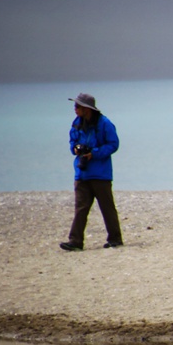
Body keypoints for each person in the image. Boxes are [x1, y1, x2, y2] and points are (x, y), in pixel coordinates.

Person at [60, 93, 123, 251]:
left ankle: (115, 239)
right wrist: (76, 149)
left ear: (87, 109)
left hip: (100, 174)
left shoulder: (104, 123)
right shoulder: (76, 123)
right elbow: (72, 143)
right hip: (82, 173)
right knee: (81, 208)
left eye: (78, 106)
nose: (75, 109)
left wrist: (94, 153)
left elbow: (113, 144)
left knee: (107, 208)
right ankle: (75, 241)